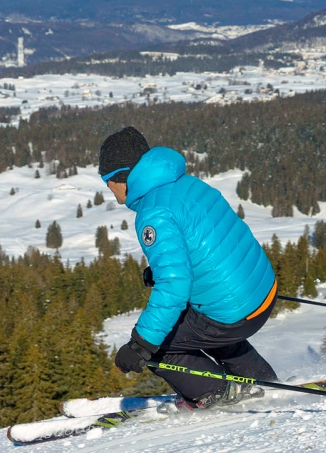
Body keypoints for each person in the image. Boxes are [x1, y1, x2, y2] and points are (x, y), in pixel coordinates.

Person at [99, 126, 279, 411]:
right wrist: (161, 272)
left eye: (106, 179)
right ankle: (259, 379)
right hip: (261, 292)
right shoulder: (185, 183)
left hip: (234, 314)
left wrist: (141, 345)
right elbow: (208, 242)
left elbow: (174, 286)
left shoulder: (153, 212)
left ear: (121, 175)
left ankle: (216, 392)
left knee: (159, 346)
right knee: (198, 325)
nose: (107, 187)